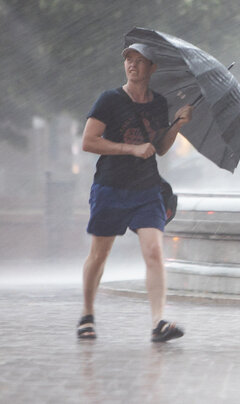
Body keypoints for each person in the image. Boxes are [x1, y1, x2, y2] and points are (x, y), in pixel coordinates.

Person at [77, 43, 193, 342]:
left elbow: (160, 148)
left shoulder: (159, 103)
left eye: (140, 61)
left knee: (154, 252)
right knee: (99, 255)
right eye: (128, 59)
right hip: (111, 188)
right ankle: (87, 315)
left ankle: (158, 322)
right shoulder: (110, 100)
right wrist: (131, 148)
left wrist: (178, 123)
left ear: (152, 68)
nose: (132, 65)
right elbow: (89, 141)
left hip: (146, 188)